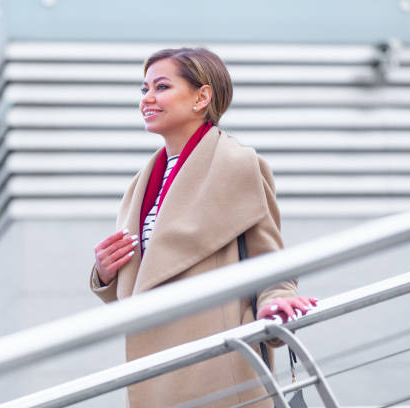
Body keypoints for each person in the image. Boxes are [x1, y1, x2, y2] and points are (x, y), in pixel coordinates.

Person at [90, 47, 316, 408]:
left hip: (220, 370)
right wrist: (106, 272)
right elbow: (146, 282)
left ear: (202, 96)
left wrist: (276, 304)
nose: (147, 98)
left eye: (161, 87)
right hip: (156, 371)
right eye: (144, 89)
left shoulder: (239, 165)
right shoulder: (141, 183)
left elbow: (271, 266)